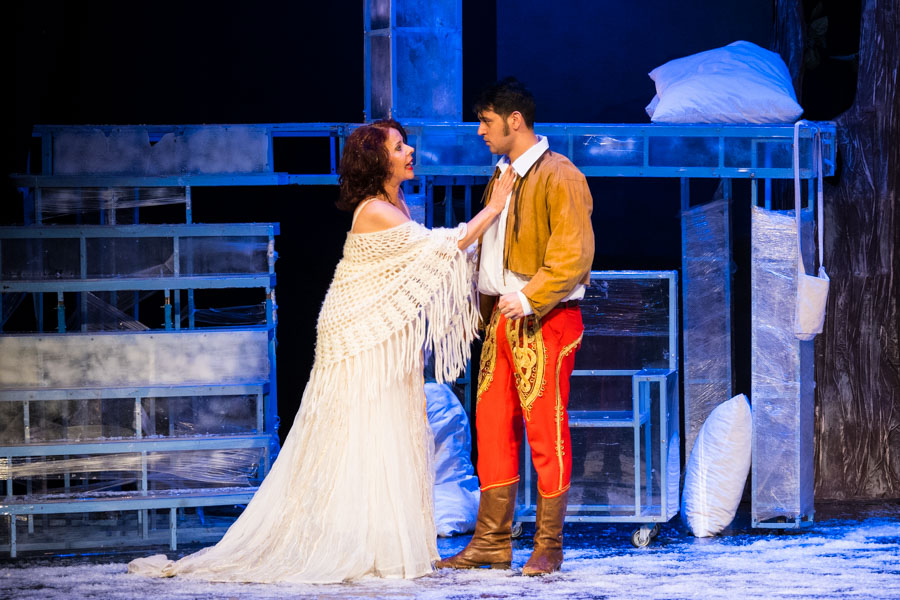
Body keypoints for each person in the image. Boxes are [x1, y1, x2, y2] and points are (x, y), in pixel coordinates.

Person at [128, 119, 514, 583]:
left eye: (405, 144)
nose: (409, 151)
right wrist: (493, 208)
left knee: (385, 429)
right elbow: (442, 246)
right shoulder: (375, 210)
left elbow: (430, 260)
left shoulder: (397, 204)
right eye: (398, 147)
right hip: (359, 336)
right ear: (377, 161)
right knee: (357, 432)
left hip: (381, 334)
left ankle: (377, 541)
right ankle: (348, 541)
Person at [435, 78, 594, 576]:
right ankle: (491, 541)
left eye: (486, 121)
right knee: (491, 427)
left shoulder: (559, 174)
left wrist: (528, 298)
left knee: (545, 430)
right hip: (502, 321)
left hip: (544, 317)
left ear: (515, 121)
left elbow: (573, 254)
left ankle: (549, 544)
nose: (480, 131)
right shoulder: (502, 176)